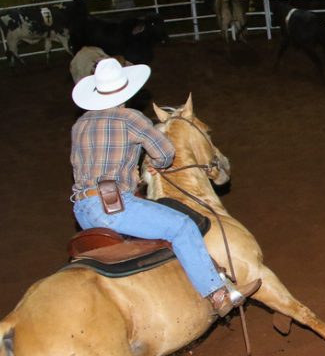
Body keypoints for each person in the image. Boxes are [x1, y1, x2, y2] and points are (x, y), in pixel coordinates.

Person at [69, 58, 260, 317]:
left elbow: (86, 166)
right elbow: (165, 153)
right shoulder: (130, 118)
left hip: (82, 208)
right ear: (126, 89)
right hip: (113, 206)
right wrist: (156, 163)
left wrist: (129, 174)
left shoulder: (80, 124)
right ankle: (218, 293)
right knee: (181, 227)